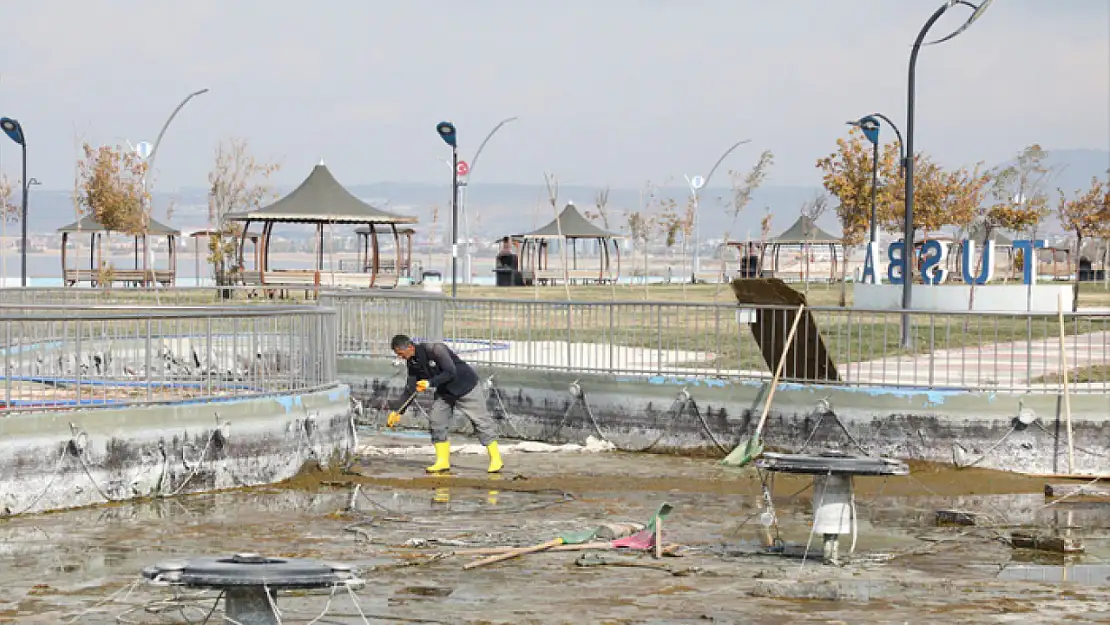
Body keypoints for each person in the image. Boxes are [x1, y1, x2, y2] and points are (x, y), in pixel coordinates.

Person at [387, 334, 503, 474]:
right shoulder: (412, 362)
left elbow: (450, 372)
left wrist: (430, 383)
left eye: (400, 354)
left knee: (480, 421)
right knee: (437, 420)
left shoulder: (435, 349)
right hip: (445, 391)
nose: (400, 357)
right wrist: (398, 411)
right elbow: (411, 388)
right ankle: (443, 461)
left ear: (410, 347)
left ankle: (496, 459)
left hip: (466, 387)